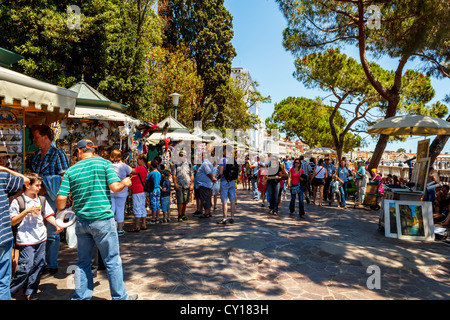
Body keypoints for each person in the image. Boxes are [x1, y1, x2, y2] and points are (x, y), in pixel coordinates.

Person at [56, 139, 137, 300]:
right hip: (103, 221)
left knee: (82, 262)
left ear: (79, 151)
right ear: (93, 150)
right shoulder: (105, 164)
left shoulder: (71, 171)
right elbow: (115, 187)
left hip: (81, 221)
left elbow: (60, 200)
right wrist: (125, 182)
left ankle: (81, 296)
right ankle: (120, 297)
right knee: (112, 260)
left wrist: (65, 209)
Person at [9, 173, 62, 300]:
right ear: (27, 185)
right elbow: (12, 221)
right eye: (37, 185)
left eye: (40, 185)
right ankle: (11, 291)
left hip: (41, 238)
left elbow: (48, 215)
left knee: (38, 265)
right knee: (25, 267)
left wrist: (57, 225)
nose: (39, 188)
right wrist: (26, 211)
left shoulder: (41, 200)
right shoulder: (18, 201)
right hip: (25, 239)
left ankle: (30, 291)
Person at [30, 124, 69, 279]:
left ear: (45, 137)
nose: (33, 140)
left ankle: (51, 264)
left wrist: (47, 184)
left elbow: (65, 178)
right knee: (36, 230)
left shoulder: (58, 154)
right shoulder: (36, 155)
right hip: (36, 198)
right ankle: (39, 263)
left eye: (36, 137)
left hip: (51, 198)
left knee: (52, 232)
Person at [0, 166, 28, 300]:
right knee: (3, 280)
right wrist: (5, 169)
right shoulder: (3, 177)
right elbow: (25, 180)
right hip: (3, 235)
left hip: (4, 235)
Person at [109, 150, 132, 236]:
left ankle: (111, 228)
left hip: (111, 189)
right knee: (120, 209)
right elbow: (131, 171)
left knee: (111, 209)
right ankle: (120, 229)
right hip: (122, 189)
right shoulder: (124, 166)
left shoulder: (109, 166)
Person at [171, 150, 194, 222]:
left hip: (187, 185)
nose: (181, 157)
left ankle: (183, 213)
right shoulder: (176, 164)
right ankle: (179, 214)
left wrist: (191, 184)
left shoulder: (189, 165)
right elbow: (174, 175)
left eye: (182, 155)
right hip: (179, 185)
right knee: (180, 201)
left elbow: (192, 175)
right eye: (180, 155)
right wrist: (175, 184)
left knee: (185, 201)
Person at [217, 149, 238, 225]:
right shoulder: (234, 160)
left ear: (224, 151)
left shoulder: (222, 160)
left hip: (224, 181)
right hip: (232, 181)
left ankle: (225, 218)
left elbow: (221, 172)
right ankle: (232, 217)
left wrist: (219, 171)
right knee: (232, 200)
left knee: (224, 201)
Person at [130, 154, 148, 232]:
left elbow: (131, 171)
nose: (137, 161)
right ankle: (143, 224)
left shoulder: (140, 168)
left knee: (137, 207)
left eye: (138, 159)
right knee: (142, 207)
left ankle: (137, 225)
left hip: (137, 190)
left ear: (142, 160)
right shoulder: (144, 168)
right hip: (141, 190)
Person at [196, 152, 216, 220]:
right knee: (207, 198)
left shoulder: (205, 164)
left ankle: (207, 213)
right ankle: (208, 212)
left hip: (204, 184)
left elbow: (208, 173)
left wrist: (213, 179)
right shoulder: (207, 163)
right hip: (206, 184)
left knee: (205, 198)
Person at [147, 159, 162, 225]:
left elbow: (147, 180)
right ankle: (157, 218)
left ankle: (153, 219)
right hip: (158, 189)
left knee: (153, 204)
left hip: (153, 190)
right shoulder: (159, 173)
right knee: (158, 204)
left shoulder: (151, 173)